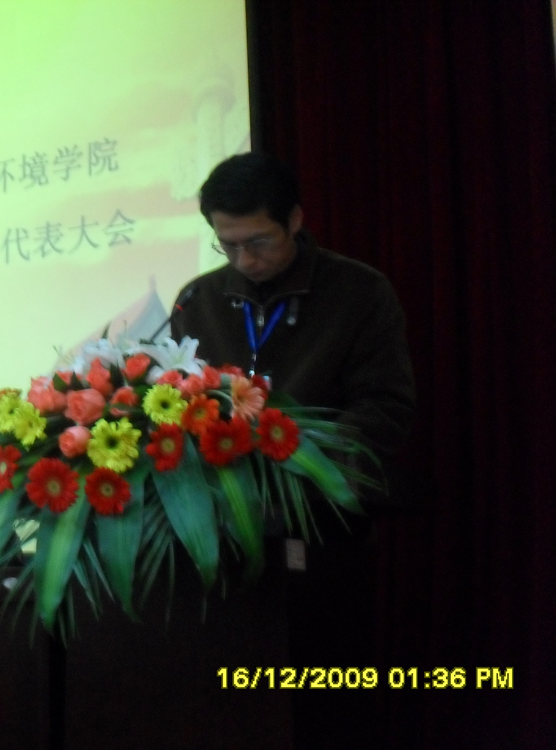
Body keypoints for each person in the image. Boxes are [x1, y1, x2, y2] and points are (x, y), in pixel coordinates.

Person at [172, 152, 416, 749]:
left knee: (321, 713)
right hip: (222, 546)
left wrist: (293, 467)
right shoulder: (197, 301)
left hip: (322, 537)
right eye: (227, 245)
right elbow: (175, 409)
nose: (244, 260)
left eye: (258, 242)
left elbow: (384, 410)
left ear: (296, 220)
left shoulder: (359, 292)